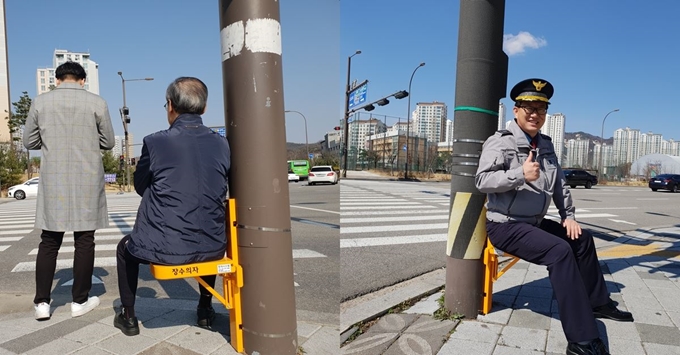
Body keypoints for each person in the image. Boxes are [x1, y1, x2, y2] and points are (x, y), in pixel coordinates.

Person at [475, 78, 633, 355]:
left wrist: (568, 216)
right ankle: (582, 340)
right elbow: (482, 181)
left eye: (541, 108)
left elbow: (559, 183)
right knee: (559, 251)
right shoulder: (500, 142)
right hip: (505, 225)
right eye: (528, 108)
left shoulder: (545, 144)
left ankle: (598, 302)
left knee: (581, 239)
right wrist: (518, 175)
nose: (535, 114)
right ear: (516, 110)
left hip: (533, 223)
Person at [114, 77, 231, 336]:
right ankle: (204, 309)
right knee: (204, 237)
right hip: (214, 245)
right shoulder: (222, 143)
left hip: (165, 247)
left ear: (170, 105)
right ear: (205, 107)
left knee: (124, 249)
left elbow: (140, 186)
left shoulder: (155, 142)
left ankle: (129, 316)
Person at [23, 61, 115, 320]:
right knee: (85, 239)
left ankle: (42, 303)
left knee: (49, 241)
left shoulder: (41, 102)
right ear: (83, 80)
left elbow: (29, 140)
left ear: (58, 79)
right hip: (87, 177)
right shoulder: (97, 103)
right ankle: (79, 300)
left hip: (54, 179)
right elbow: (108, 142)